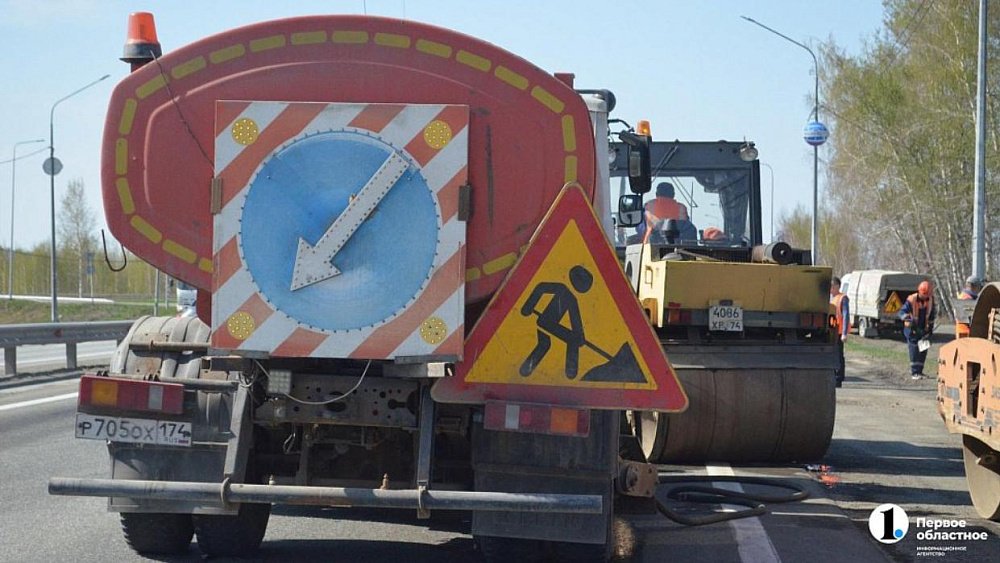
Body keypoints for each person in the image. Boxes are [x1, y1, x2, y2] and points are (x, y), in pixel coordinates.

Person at [899, 280, 936, 379]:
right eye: (924, 294)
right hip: (912, 329)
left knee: (923, 350)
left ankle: (920, 371)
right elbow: (902, 312)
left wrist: (930, 329)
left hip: (923, 329)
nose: (926, 296)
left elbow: (931, 315)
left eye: (927, 294)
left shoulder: (931, 300)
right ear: (919, 291)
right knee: (914, 350)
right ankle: (914, 372)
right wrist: (908, 320)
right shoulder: (911, 300)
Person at [830, 276, 850, 387]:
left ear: (837, 286)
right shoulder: (833, 299)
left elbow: (846, 316)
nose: (830, 289)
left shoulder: (843, 298)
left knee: (838, 355)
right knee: (835, 354)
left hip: (839, 332)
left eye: (832, 287)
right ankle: (836, 376)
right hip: (834, 331)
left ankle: (839, 378)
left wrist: (844, 333)